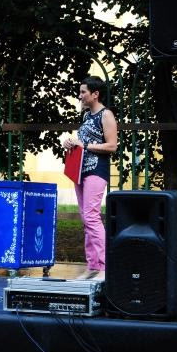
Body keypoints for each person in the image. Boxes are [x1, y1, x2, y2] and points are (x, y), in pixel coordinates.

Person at [63, 76, 117, 280]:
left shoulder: (106, 114)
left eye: (83, 92)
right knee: (86, 219)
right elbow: (82, 143)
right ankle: (92, 265)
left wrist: (84, 145)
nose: (80, 96)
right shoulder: (87, 116)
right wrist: (71, 143)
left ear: (95, 94)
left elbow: (112, 146)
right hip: (80, 171)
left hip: (96, 170)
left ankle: (104, 267)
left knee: (92, 217)